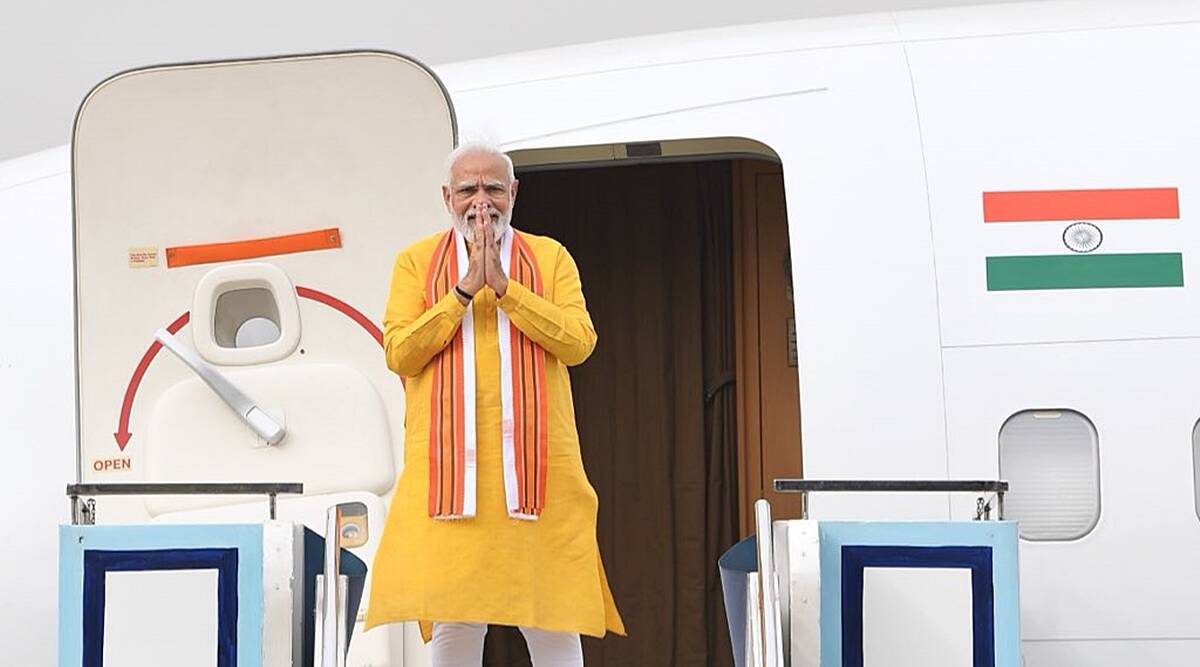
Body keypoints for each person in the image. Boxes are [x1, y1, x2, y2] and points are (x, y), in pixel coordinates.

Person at [365, 142, 625, 666]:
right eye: (467, 189)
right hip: (449, 479)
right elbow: (400, 353)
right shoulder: (415, 262)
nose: (480, 202)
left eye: (493, 188)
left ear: (514, 193)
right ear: (446, 196)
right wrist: (462, 293)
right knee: (455, 618)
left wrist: (508, 291)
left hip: (537, 476)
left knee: (550, 614)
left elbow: (579, 342)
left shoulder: (550, 259)